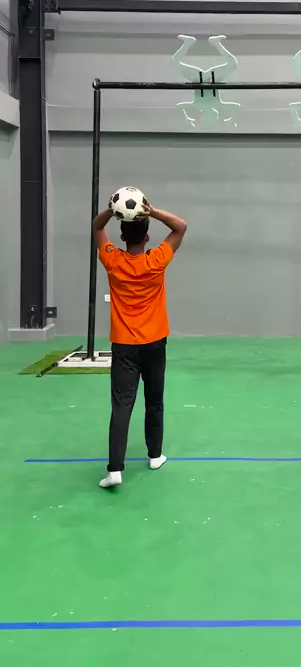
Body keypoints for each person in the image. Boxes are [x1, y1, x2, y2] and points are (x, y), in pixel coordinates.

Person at [92, 201, 187, 489]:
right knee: (154, 401)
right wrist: (153, 212)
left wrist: (111, 209)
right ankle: (155, 455)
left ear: (122, 236)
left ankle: (115, 470)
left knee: (122, 406)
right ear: (147, 237)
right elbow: (180, 227)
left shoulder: (112, 260)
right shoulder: (157, 259)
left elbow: (96, 227)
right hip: (155, 343)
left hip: (124, 346)